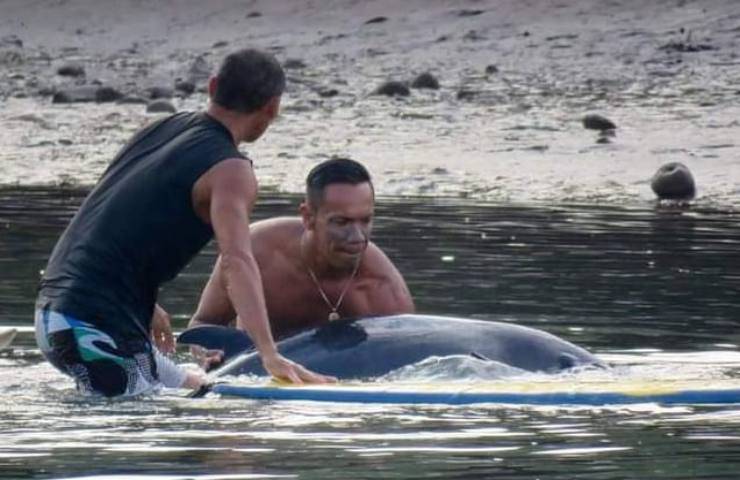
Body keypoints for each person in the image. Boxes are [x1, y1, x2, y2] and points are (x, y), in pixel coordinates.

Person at [34, 48, 334, 398]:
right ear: (273, 107)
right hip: (93, 328)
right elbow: (237, 261)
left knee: (200, 388)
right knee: (141, 434)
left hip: (54, 316)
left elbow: (101, 221)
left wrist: (145, 305)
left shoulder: (161, 127)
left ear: (212, 87)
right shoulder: (231, 171)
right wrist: (269, 354)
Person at [188, 158, 415, 347]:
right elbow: (204, 326)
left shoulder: (385, 292)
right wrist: (206, 352)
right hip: (255, 379)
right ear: (308, 217)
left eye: (365, 220)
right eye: (341, 222)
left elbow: (407, 366)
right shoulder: (254, 254)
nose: (357, 236)